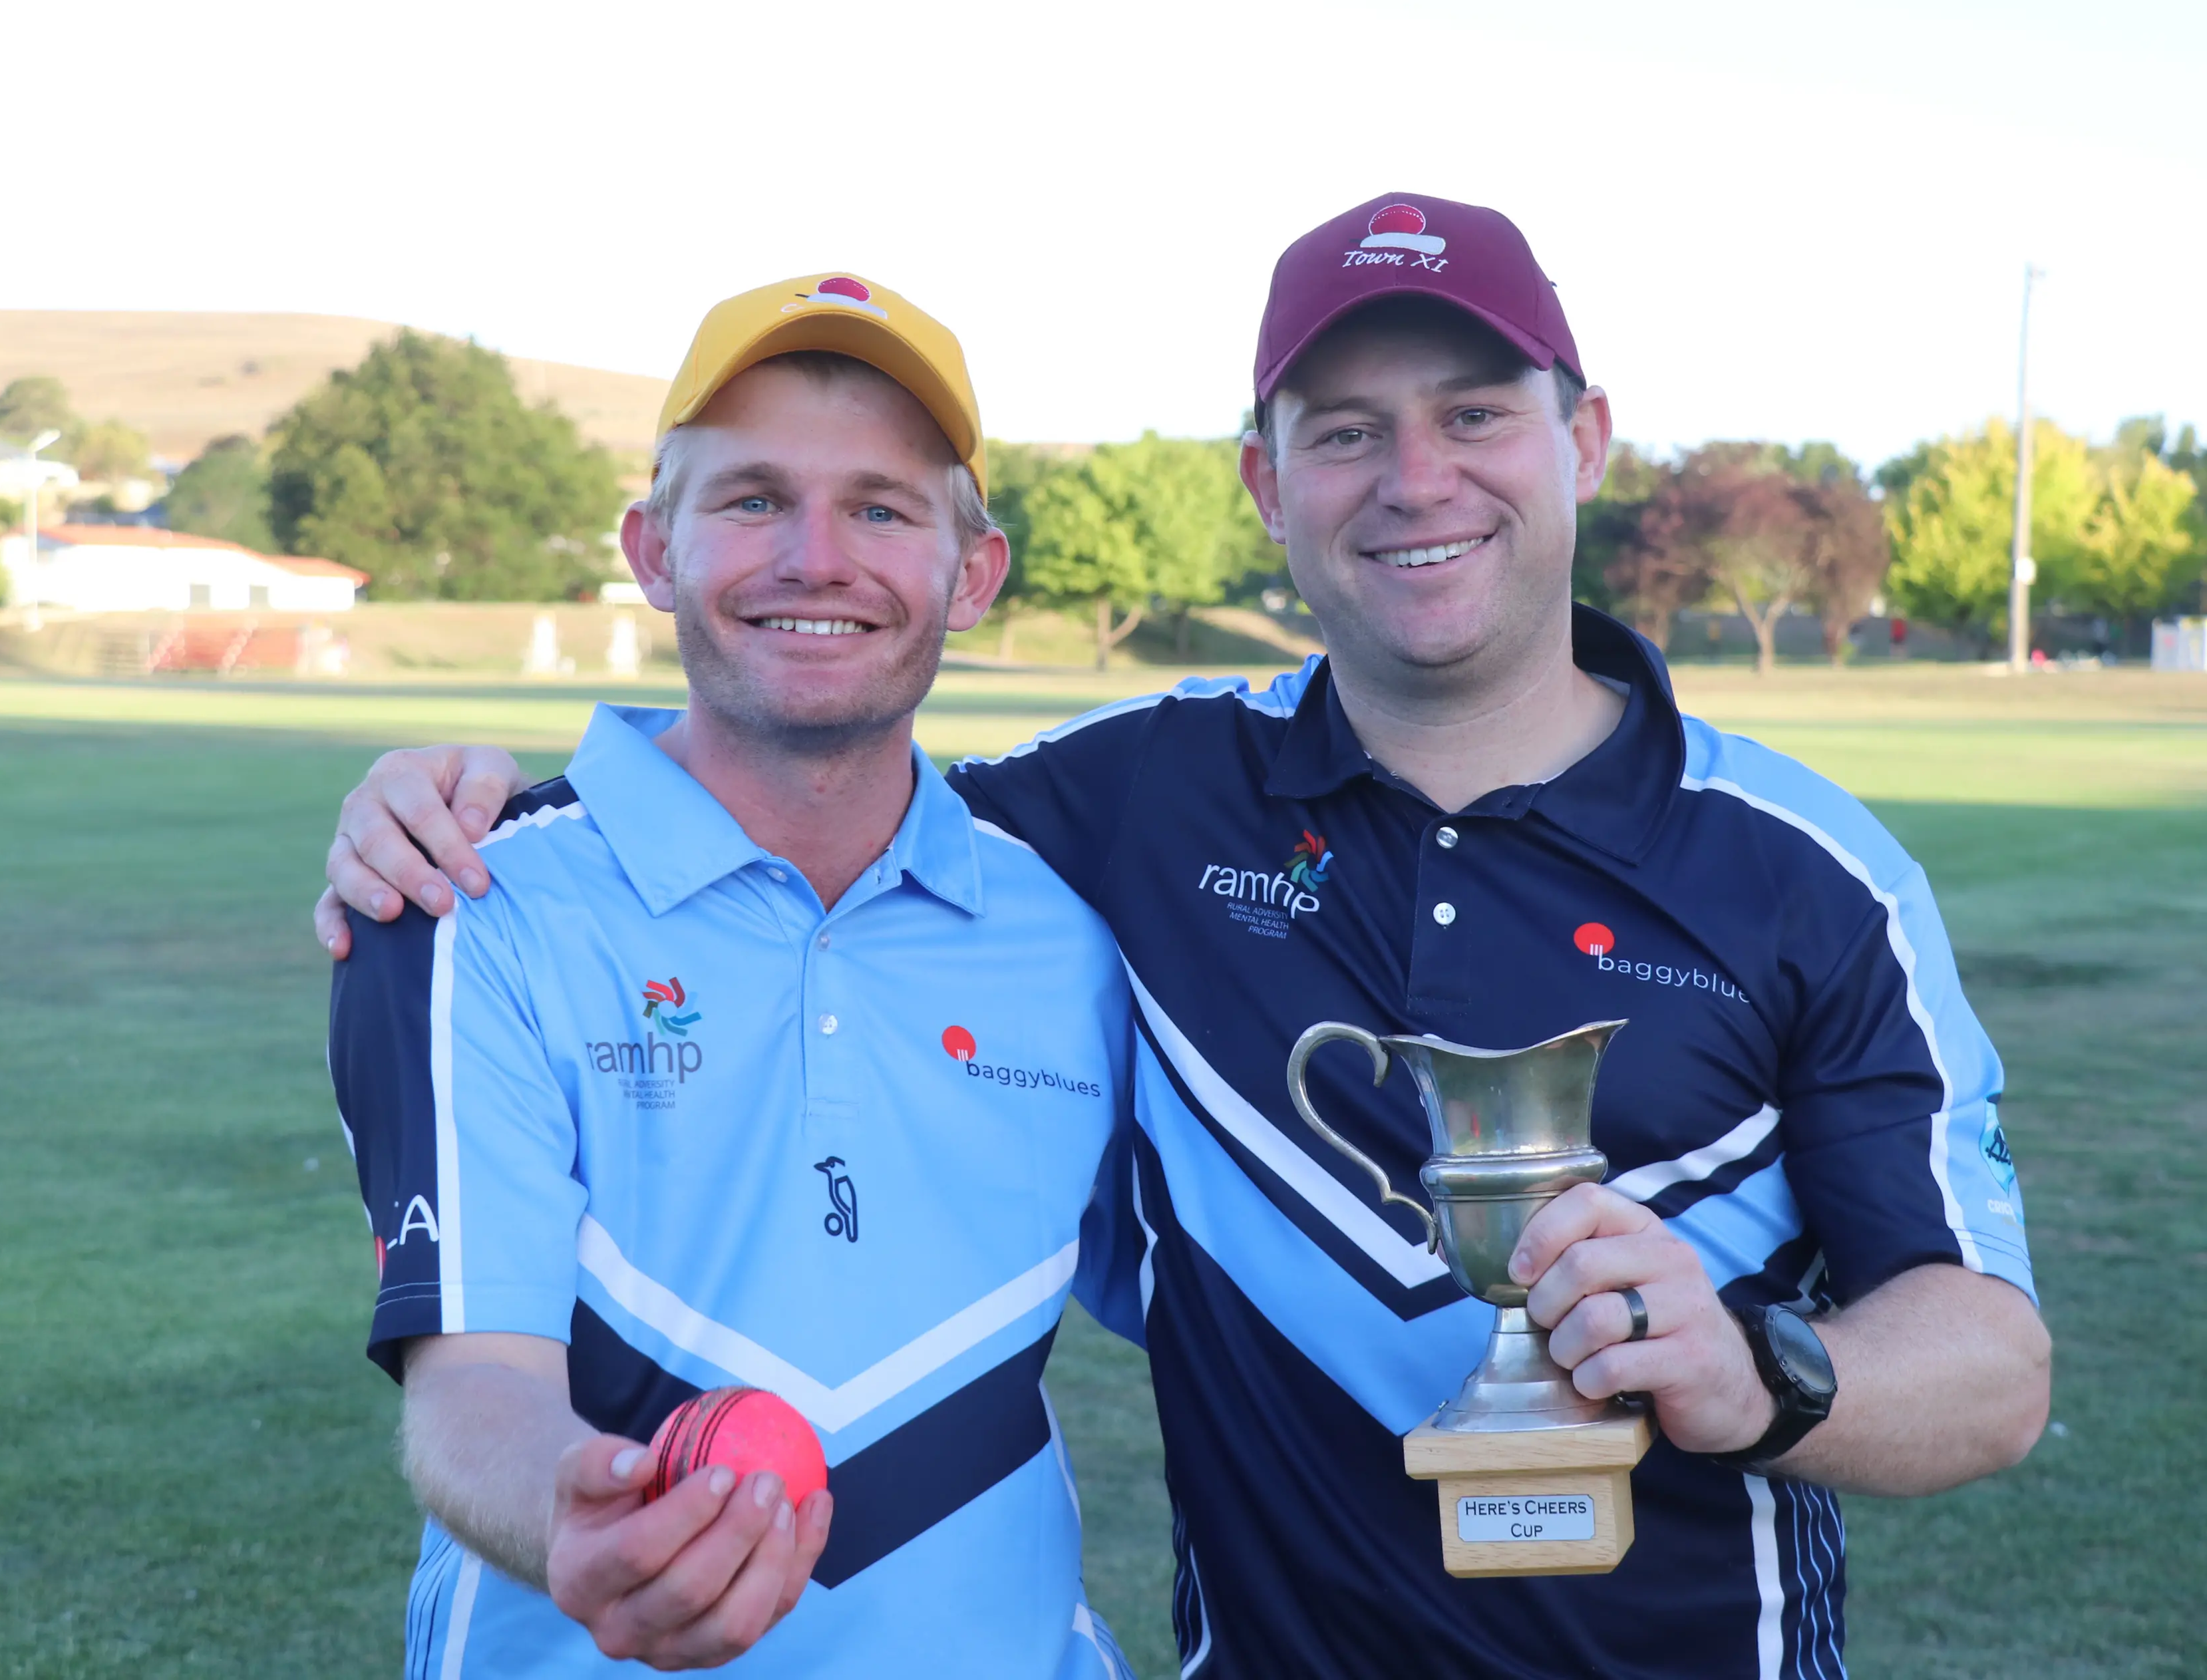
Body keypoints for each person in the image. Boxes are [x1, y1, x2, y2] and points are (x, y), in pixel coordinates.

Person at [321, 194, 2052, 1678]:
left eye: (1473, 414)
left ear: (1583, 438)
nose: (1414, 477)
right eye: (1347, 430)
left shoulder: (1811, 872)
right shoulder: (1140, 803)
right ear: (1265, 478)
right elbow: (812, 750)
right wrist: (458, 797)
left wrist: (1769, 1374)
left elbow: (1993, 1368)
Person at [327, 273, 1138, 1677]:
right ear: (654, 548)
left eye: (883, 507)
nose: (817, 557)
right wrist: (574, 1523)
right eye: (754, 499)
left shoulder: (1076, 927)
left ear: (975, 570)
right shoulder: (464, 896)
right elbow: (472, 1384)